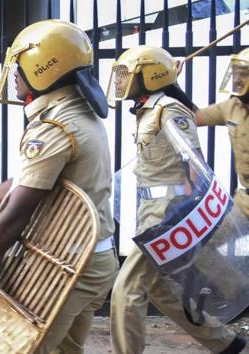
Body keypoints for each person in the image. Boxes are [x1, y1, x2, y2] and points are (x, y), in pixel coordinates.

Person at [0, 19, 118, 353]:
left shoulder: (53, 127)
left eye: (19, 68)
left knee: (22, 349)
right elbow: (24, 182)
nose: (15, 77)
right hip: (96, 260)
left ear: (43, 69)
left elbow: (16, 213)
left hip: (66, 267)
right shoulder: (77, 112)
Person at [106, 45, 246, 354]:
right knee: (157, 287)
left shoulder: (169, 109)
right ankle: (224, 342)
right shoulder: (148, 108)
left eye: (128, 75)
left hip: (166, 213)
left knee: (125, 290)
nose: (120, 82)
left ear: (150, 77)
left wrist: (186, 212)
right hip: (148, 209)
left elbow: (193, 161)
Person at [187, 48, 249, 219]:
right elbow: (196, 117)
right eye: (237, 73)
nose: (237, 80)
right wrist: (172, 87)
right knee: (205, 241)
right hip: (245, 202)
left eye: (244, 74)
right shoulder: (232, 107)